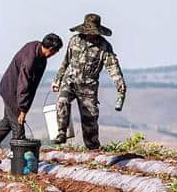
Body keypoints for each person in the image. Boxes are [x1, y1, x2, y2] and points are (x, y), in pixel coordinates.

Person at [0, 34, 63, 163]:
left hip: (14, 91)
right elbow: (24, 85)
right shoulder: (30, 60)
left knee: (8, 121)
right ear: (50, 48)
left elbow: (32, 85)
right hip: (13, 92)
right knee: (18, 128)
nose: (54, 55)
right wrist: (23, 109)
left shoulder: (38, 52)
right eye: (55, 52)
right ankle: (21, 165)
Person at [52, 14, 126, 149]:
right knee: (62, 101)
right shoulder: (74, 40)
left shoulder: (104, 47)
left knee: (90, 121)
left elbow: (113, 68)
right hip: (70, 81)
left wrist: (120, 87)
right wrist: (57, 80)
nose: (90, 35)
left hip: (88, 88)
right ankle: (62, 132)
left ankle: (93, 149)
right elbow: (65, 61)